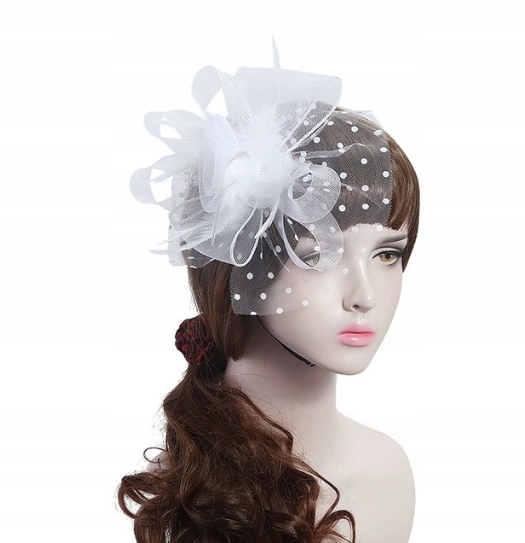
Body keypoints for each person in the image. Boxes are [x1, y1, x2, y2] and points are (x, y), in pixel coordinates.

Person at [118, 48, 420, 543]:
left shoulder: (388, 471)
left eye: (387, 255)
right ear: (241, 265)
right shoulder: (182, 490)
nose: (365, 295)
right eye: (320, 254)